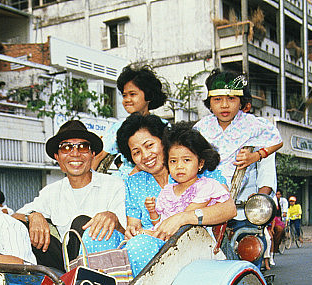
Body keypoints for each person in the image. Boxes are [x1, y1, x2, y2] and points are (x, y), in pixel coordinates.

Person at [117, 122, 235, 274]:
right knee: (133, 244)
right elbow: (137, 225)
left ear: (164, 143)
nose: (145, 156)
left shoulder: (201, 173)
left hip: (197, 247)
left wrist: (183, 218)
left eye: (149, 145)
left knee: (140, 245)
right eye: (136, 152)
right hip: (148, 250)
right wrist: (133, 232)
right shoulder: (135, 182)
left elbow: (229, 209)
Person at [14, 119, 126, 270]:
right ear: (58, 157)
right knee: (22, 227)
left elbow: (127, 234)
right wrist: (33, 215)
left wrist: (114, 220)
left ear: (92, 154)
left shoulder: (115, 186)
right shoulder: (51, 192)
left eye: (83, 147)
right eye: (66, 148)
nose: (75, 153)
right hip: (63, 265)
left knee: (81, 223)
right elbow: (14, 218)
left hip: (102, 265)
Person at [193, 70, 283, 184]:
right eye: (217, 99)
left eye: (231, 98)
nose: (224, 105)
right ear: (209, 103)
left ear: (241, 102)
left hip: (236, 192)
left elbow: (277, 141)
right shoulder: (201, 127)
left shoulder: (251, 123)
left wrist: (256, 156)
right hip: (203, 189)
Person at [93, 65, 168, 177]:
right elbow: (99, 157)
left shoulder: (164, 126)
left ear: (149, 95)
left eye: (132, 94)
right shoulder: (117, 128)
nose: (127, 100)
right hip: (125, 182)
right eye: (124, 96)